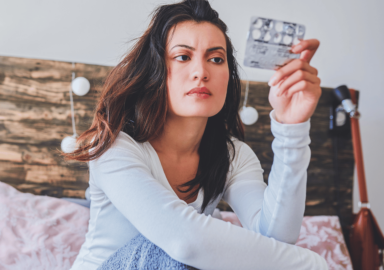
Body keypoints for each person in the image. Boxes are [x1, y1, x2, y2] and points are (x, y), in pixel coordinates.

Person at [64, 0, 327, 269]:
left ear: (228, 75)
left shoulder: (232, 156)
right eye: (183, 57)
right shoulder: (115, 146)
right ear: (155, 70)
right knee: (181, 246)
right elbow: (184, 241)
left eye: (216, 59)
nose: (201, 72)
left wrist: (291, 127)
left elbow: (276, 239)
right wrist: (312, 264)